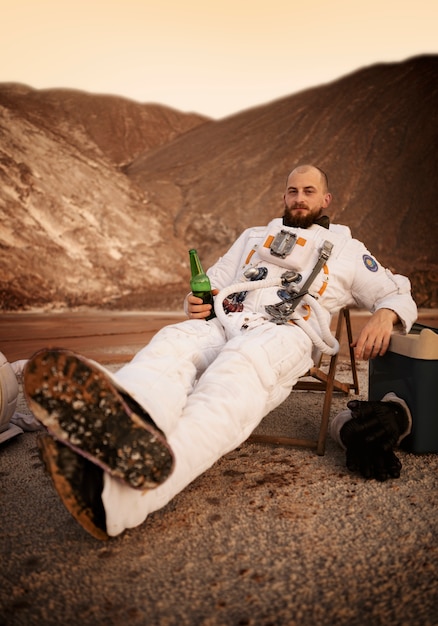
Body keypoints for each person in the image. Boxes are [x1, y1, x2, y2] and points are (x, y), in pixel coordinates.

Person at [23, 164, 417, 540]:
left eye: (308, 191)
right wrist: (195, 304)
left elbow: (394, 291)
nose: (299, 198)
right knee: (173, 342)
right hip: (227, 319)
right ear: (283, 195)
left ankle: (119, 501)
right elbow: (211, 284)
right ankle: (127, 419)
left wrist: (385, 316)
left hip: (285, 332)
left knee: (235, 374)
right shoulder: (252, 237)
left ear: (326, 199)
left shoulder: (347, 248)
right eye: (293, 191)